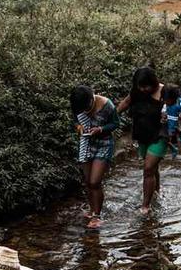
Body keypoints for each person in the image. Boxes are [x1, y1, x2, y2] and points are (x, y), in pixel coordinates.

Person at [117, 66, 168, 214]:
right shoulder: (136, 91)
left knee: (147, 169)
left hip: (160, 135)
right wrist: (113, 116)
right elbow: (125, 103)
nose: (143, 89)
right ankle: (156, 192)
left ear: (153, 82)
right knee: (152, 168)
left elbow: (177, 109)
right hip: (142, 134)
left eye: (146, 86)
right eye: (140, 86)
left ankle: (145, 206)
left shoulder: (164, 91)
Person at [70, 85, 119, 230]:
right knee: (87, 181)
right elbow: (75, 120)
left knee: (95, 181)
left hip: (104, 144)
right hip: (86, 143)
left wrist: (100, 129)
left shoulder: (107, 105)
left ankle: (97, 216)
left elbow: (116, 123)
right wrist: (79, 128)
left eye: (87, 107)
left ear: (92, 98)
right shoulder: (77, 105)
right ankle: (92, 210)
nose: (85, 110)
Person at [161, 84, 181, 159]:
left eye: (166, 99)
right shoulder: (166, 105)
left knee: (167, 137)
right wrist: (163, 117)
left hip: (173, 123)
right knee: (167, 137)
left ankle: (174, 148)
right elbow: (163, 112)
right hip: (168, 123)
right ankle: (174, 148)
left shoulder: (178, 105)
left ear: (173, 98)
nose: (164, 101)